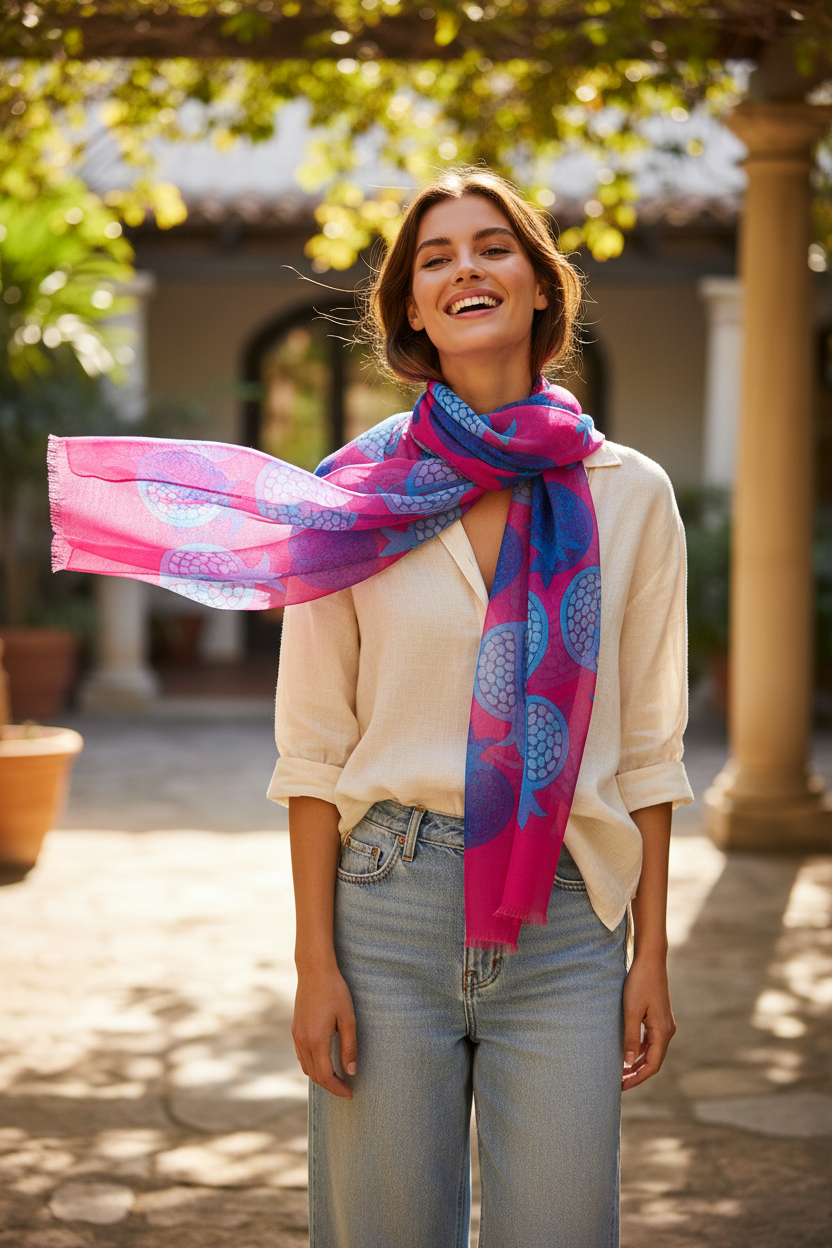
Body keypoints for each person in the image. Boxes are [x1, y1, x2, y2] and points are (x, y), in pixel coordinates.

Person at [267, 167, 693, 1248]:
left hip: (565, 920)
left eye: (493, 246)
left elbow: (649, 743)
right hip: (387, 909)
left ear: (540, 285)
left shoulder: (629, 494)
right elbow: (313, 747)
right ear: (411, 306)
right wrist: (315, 963)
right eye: (435, 256)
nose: (466, 267)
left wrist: (651, 953)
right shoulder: (354, 495)